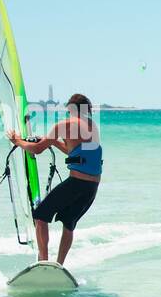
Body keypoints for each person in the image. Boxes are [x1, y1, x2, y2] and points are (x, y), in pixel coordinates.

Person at [8, 93, 103, 265]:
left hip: (76, 183)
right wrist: (53, 142)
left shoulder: (64, 125)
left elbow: (36, 149)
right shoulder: (92, 127)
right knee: (69, 222)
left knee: (41, 216)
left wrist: (17, 141)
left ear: (70, 109)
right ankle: (59, 265)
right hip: (92, 187)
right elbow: (74, 152)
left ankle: (43, 261)